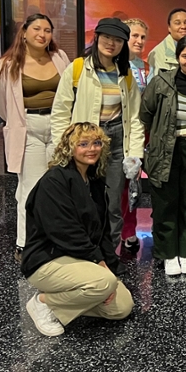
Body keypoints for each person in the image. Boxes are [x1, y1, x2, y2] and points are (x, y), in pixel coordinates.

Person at [21, 122, 134, 337]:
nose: (91, 149)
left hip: (79, 260)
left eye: (96, 143)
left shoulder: (94, 181)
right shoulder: (53, 182)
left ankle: (72, 300)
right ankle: (43, 303)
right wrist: (100, 266)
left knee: (122, 307)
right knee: (104, 283)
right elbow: (65, 232)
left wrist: (112, 268)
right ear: (69, 148)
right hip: (47, 260)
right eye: (83, 144)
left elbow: (102, 234)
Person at [50, 18, 145, 249]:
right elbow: (61, 110)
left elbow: (134, 117)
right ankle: (85, 254)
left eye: (117, 40)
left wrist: (134, 154)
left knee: (113, 204)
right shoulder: (78, 68)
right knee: (83, 201)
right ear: (97, 37)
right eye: (107, 37)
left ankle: (109, 255)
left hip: (115, 141)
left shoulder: (126, 74)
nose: (111, 44)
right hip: (85, 142)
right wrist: (64, 147)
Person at [0, 14, 70, 262]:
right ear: (24, 32)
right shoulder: (5, 65)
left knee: (59, 187)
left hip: (58, 126)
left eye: (47, 30)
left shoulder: (60, 58)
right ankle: (26, 243)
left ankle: (57, 240)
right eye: (37, 29)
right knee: (31, 187)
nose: (42, 34)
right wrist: (16, 121)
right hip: (29, 129)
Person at [140, 35, 186, 276]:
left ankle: (185, 252)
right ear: (177, 57)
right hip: (165, 152)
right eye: (185, 56)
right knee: (165, 205)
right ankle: (167, 254)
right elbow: (146, 114)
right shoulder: (161, 83)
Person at [119, 17, 149, 257]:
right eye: (134, 36)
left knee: (132, 185)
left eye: (142, 37)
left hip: (138, 134)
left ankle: (129, 230)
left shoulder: (144, 66)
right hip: (115, 132)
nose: (139, 41)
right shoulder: (112, 65)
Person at [147, 8, 186, 81]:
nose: (183, 27)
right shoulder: (157, 53)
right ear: (169, 27)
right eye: (177, 23)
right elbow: (159, 86)